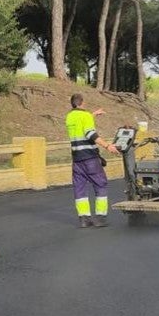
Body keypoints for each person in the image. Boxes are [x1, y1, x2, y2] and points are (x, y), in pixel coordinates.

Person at [65, 93, 119, 227]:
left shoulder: (70, 116)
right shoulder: (85, 116)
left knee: (80, 188)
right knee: (100, 184)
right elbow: (90, 134)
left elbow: (80, 125)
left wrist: (93, 114)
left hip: (77, 159)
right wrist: (108, 146)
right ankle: (100, 217)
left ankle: (84, 218)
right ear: (82, 102)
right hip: (90, 158)